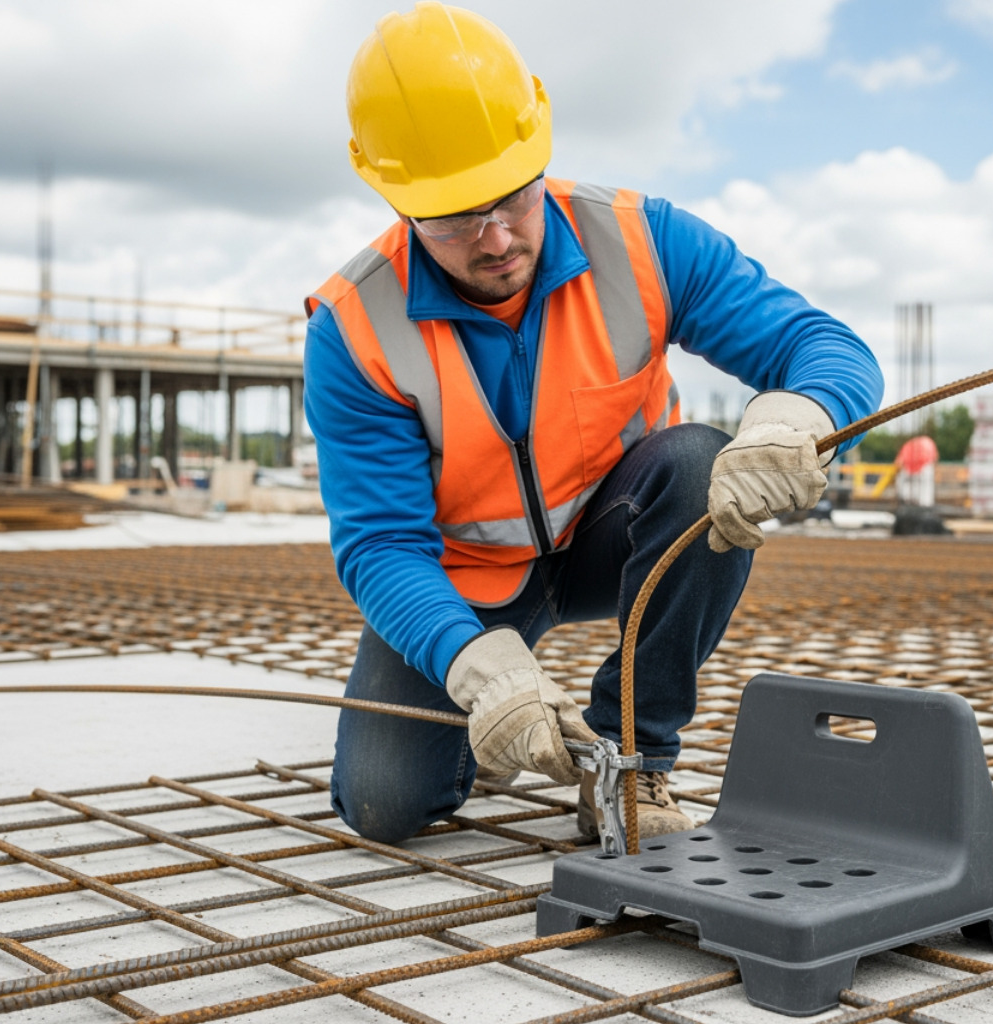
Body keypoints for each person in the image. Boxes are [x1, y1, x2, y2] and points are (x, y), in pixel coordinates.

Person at [304, 2, 882, 844]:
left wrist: (802, 415)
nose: (495, 237)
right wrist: (475, 666)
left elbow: (823, 346)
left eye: (511, 196)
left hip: (616, 535)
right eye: (456, 214)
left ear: (540, 150)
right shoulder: (355, 329)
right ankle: (526, 714)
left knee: (697, 465)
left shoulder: (641, 242)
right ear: (395, 197)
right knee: (385, 803)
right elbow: (380, 544)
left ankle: (632, 759)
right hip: (472, 578)